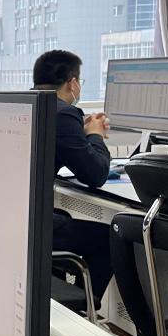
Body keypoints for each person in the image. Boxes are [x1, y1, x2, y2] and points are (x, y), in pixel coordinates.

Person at [33, 49, 113, 301]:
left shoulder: (30, 103)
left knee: (64, 217)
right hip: (32, 226)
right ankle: (81, 307)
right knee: (110, 237)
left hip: (12, 218)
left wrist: (81, 132)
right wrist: (96, 135)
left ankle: (63, 298)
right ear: (73, 83)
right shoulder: (63, 112)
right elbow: (96, 173)